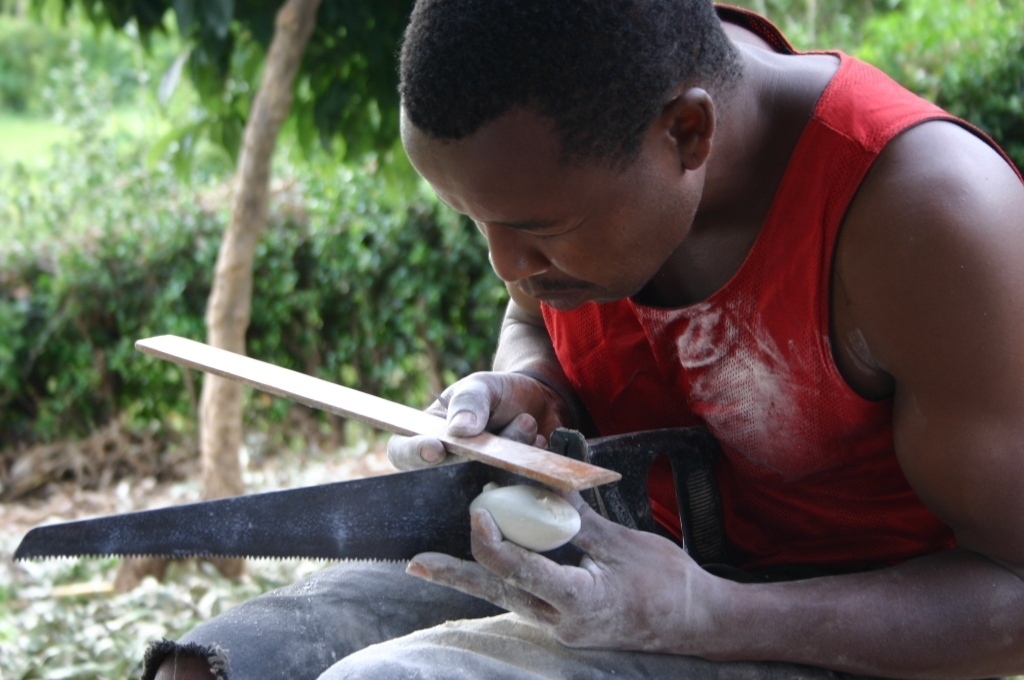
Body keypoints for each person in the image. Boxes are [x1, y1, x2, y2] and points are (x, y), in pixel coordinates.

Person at [147, 1, 1024, 678]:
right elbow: (534, 319)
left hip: (834, 628)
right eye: (474, 225)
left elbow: (1013, 600)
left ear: (689, 133)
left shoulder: (928, 220)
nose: (505, 266)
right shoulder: (595, 128)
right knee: (211, 665)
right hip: (610, 567)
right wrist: (527, 387)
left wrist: (702, 615)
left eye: (537, 230)